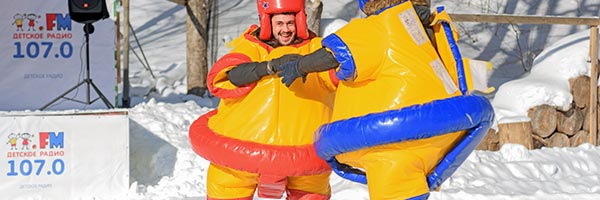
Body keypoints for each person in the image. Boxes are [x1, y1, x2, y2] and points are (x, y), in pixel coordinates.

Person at [276, 0, 494, 199]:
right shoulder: (427, 25)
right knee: (410, 187)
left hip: (392, 139)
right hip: (437, 134)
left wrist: (300, 66)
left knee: (395, 185)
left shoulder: (382, 26)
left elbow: (337, 53)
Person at [188, 0, 338, 199]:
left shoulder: (314, 48)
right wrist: (269, 67)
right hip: (243, 151)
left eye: (290, 23)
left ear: (300, 22)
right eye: (280, 24)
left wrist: (307, 65)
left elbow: (336, 72)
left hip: (303, 152)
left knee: (312, 191)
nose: (286, 30)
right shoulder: (251, 46)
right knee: (227, 186)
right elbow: (230, 75)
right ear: (268, 24)